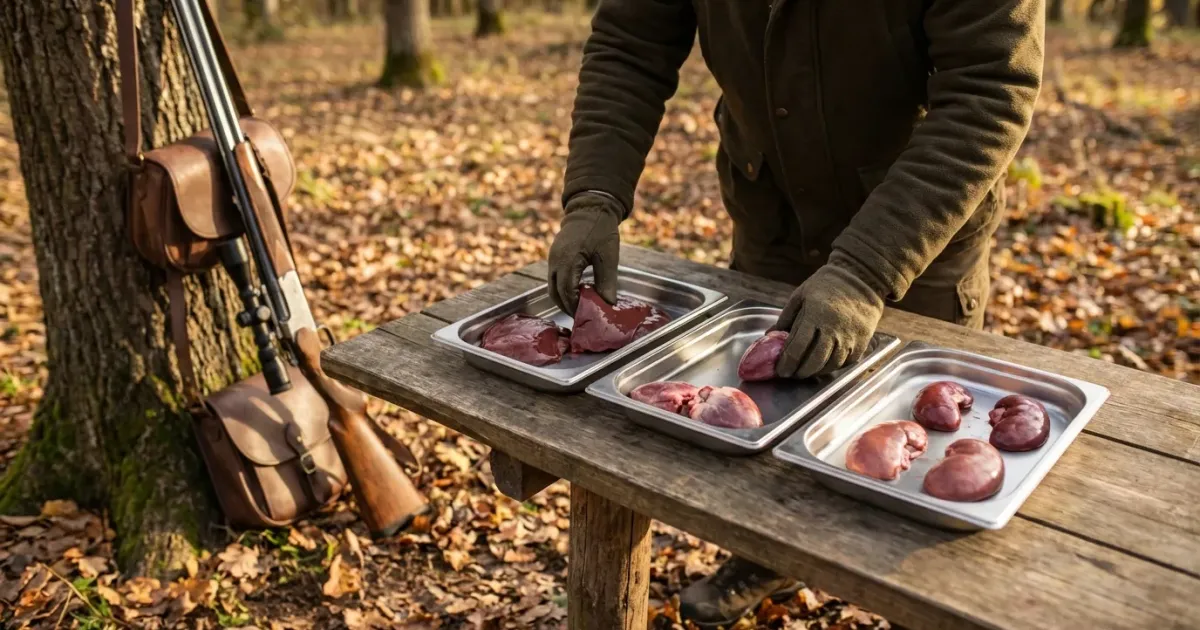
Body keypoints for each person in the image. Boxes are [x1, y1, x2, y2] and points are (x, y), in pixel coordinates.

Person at [546, 0, 1044, 627]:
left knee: (923, 450)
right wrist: (595, 193)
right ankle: (763, 556)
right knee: (765, 411)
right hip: (772, 213)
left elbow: (990, 88)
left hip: (918, 232)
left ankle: (921, 605)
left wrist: (867, 268)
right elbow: (629, 43)